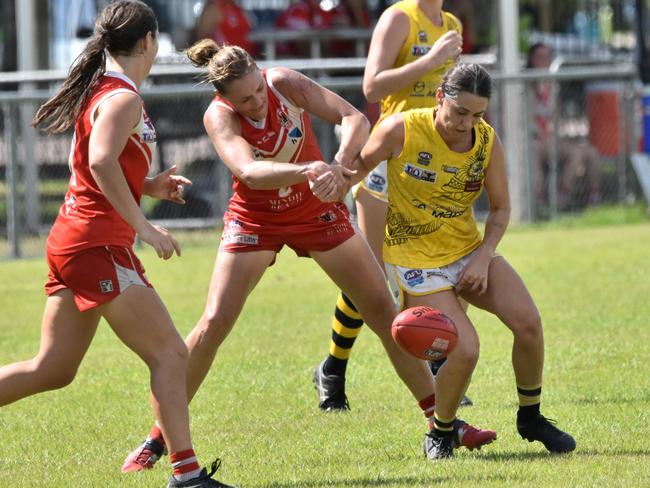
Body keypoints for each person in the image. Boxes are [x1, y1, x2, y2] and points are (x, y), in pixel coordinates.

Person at [121, 38, 496, 471]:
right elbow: (248, 172)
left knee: (384, 312)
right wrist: (306, 170)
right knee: (213, 323)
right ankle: (157, 437)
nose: (257, 102)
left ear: (263, 75)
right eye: (245, 99)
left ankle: (442, 424)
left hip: (317, 211)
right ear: (223, 97)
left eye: (258, 90)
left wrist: (339, 162)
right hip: (256, 219)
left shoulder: (284, 83)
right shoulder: (218, 116)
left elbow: (353, 117)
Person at [0, 2, 230, 487]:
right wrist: (145, 228)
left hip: (76, 242)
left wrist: (148, 185)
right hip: (94, 245)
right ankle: (187, 477)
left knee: (53, 368)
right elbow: (100, 162)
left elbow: (89, 166)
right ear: (149, 40)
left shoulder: (107, 90)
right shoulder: (121, 97)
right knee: (170, 353)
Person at [315, 63, 577, 459]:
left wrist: (483, 257)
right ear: (440, 99)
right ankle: (439, 432)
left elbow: (502, 210)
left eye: (477, 115)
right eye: (460, 113)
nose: (466, 124)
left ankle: (531, 417)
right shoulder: (400, 130)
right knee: (465, 348)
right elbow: (356, 174)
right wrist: (330, 179)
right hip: (415, 260)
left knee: (528, 323)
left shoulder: (485, 141)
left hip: (468, 251)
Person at [312, 0, 475, 413]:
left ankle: (439, 363)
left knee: (444, 259)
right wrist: (432, 60)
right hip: (389, 157)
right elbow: (372, 87)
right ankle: (333, 367)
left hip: (432, 166)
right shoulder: (400, 17)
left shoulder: (451, 23)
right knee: (371, 273)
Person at [528, 42, 602, 211]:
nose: (543, 61)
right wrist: (541, 134)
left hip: (553, 139)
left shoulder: (553, 86)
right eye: (539, 57)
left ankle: (568, 196)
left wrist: (554, 134)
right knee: (534, 150)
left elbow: (557, 118)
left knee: (586, 152)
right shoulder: (524, 87)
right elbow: (524, 120)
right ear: (532, 59)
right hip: (535, 139)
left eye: (547, 57)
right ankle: (538, 202)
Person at [192, 0, 256, 55]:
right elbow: (202, 42)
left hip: (248, 59)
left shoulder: (238, 8)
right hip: (228, 62)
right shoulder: (213, 8)